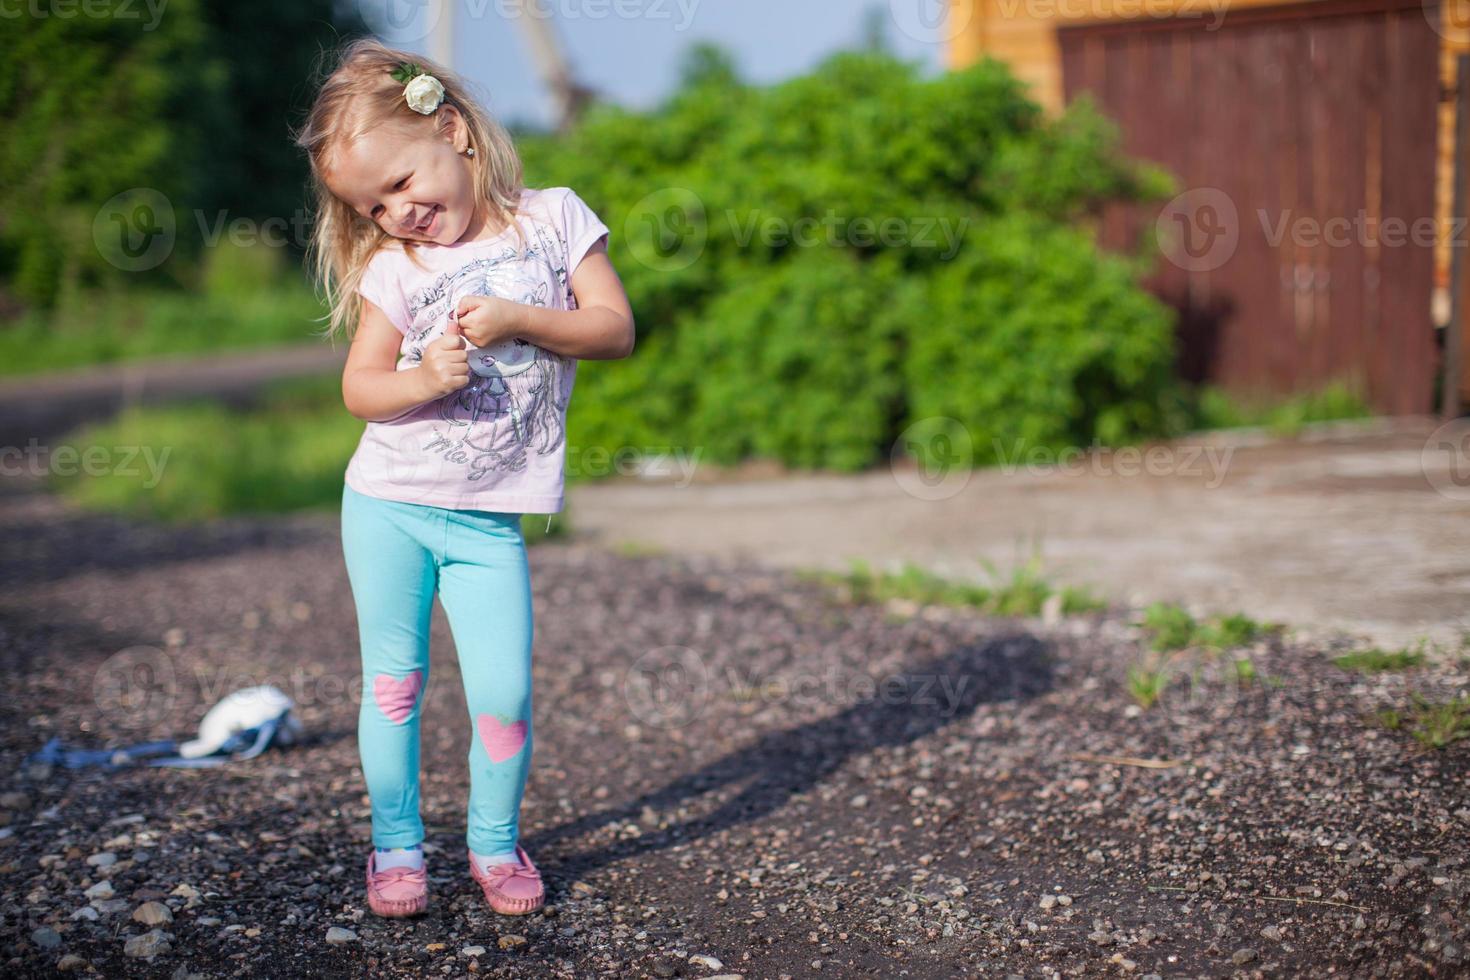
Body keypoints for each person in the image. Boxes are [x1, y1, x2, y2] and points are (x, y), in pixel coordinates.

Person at [292, 38, 635, 918]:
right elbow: (360, 388)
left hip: (487, 522)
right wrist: (427, 381)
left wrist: (522, 318)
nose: (398, 211)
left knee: (504, 692)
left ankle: (493, 841)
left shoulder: (554, 221)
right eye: (374, 204)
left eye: (403, 183)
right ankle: (396, 848)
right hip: (388, 508)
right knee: (394, 686)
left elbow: (612, 329)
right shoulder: (394, 269)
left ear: (454, 131)